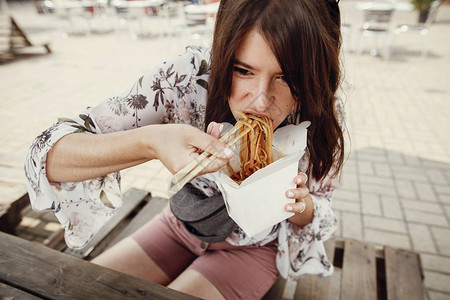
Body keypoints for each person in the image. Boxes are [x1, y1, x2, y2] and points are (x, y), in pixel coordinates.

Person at [24, 0, 346, 299]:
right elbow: (49, 155)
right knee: (80, 289)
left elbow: (322, 208)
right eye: (242, 70)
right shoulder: (187, 80)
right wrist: (151, 142)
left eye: (286, 77)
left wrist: (301, 209)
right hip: (179, 228)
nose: (261, 100)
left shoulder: (321, 110)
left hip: (253, 249)